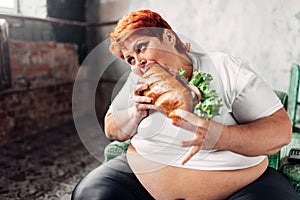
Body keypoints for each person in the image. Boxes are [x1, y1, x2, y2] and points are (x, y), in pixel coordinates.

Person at [72, 9, 300, 199]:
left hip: (239, 186)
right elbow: (111, 129)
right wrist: (135, 113)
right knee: (89, 194)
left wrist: (222, 137)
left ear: (169, 38)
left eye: (141, 47)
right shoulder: (137, 80)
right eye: (130, 59)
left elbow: (281, 131)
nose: (137, 62)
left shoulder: (225, 67)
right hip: (139, 177)